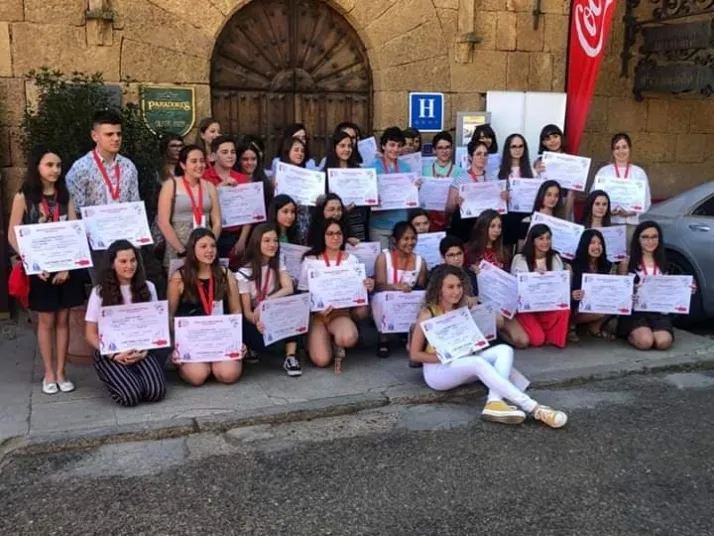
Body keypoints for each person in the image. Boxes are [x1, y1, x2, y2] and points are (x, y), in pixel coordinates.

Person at [409, 264, 567, 428]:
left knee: (504, 350)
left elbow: (481, 333)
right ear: (438, 289)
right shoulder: (428, 313)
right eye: (450, 287)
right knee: (477, 362)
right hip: (437, 372)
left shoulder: (462, 308)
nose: (456, 291)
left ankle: (494, 402)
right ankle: (535, 408)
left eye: (459, 286)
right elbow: (415, 355)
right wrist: (445, 356)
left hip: (464, 363)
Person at [8, 146, 85, 395]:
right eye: (49, 165)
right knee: (46, 321)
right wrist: (32, 262)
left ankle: (62, 372)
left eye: (58, 165)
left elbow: (74, 229)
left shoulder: (65, 195)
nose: (55, 170)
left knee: (63, 320)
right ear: (37, 167)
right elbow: (13, 234)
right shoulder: (24, 196)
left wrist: (68, 266)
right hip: (39, 268)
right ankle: (49, 373)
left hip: (65, 268)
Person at [84, 240, 166, 406]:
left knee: (156, 392)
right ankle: (117, 377)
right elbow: (90, 333)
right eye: (123, 261)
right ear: (112, 264)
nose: (129, 266)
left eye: (133, 260)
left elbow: (155, 326)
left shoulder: (148, 287)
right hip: (112, 352)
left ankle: (135, 376)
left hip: (141, 348)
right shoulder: (99, 292)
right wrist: (114, 355)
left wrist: (144, 352)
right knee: (130, 397)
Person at [65, 110, 140, 280]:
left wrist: (137, 236)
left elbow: (134, 204)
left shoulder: (128, 166)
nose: (116, 138)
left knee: (129, 288)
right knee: (103, 288)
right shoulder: (81, 168)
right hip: (97, 243)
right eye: (109, 134)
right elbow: (75, 210)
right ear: (95, 136)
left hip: (125, 240)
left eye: (118, 134)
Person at [168, 228, 246, 385]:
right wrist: (177, 346)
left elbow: (236, 310)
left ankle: (216, 365)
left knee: (228, 374)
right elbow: (170, 315)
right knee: (197, 376)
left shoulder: (225, 274)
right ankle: (199, 366)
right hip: (193, 341)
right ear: (192, 249)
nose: (210, 250)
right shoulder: (179, 277)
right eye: (203, 246)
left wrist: (237, 340)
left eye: (213, 246)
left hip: (220, 338)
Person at [298, 218, 374, 373]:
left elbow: (358, 289)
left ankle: (335, 340)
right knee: (322, 360)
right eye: (330, 233)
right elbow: (303, 292)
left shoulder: (351, 260)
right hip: (318, 316)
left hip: (340, 313)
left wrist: (367, 285)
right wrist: (314, 309)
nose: (335, 237)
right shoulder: (310, 261)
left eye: (339, 233)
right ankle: (314, 339)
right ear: (322, 236)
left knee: (348, 338)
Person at [616, 221, 694, 350]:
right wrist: (632, 290)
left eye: (654, 237)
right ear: (638, 239)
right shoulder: (627, 262)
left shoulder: (663, 262)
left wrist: (686, 289)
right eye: (645, 237)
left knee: (663, 343)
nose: (650, 241)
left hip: (658, 311)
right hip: (636, 312)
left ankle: (649, 332)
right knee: (645, 342)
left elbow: (669, 288)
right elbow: (620, 290)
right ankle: (628, 334)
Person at [236, 223, 301, 376]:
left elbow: (288, 288)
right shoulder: (244, 273)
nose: (272, 245)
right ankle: (252, 348)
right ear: (256, 242)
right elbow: (247, 312)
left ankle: (291, 356)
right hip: (256, 320)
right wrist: (257, 321)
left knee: (295, 302)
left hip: (275, 312)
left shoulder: (278, 263)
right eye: (267, 240)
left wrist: (267, 302)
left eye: (275, 240)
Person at [466, 210, 530, 348]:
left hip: (501, 303)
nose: (496, 230)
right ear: (482, 227)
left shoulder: (503, 252)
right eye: (492, 226)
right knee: (498, 320)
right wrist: (472, 273)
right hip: (480, 303)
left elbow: (508, 280)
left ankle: (496, 336)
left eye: (499, 226)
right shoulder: (469, 251)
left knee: (523, 341)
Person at [157, 145, 222, 270]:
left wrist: (209, 245)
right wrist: (181, 250)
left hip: (206, 246)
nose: (199, 165)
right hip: (178, 245)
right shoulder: (171, 185)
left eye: (202, 161)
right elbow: (163, 222)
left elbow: (217, 221)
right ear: (183, 165)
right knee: (179, 280)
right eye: (194, 161)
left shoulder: (209, 186)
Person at [510, 224, 570, 348]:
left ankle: (551, 337)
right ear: (533, 241)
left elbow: (559, 284)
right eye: (541, 238)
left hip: (548, 305)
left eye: (548, 238)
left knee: (564, 309)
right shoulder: (520, 258)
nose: (545, 242)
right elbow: (516, 285)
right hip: (527, 309)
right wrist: (533, 276)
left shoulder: (555, 257)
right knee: (537, 340)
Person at [373, 221, 428, 357]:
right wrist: (394, 287)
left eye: (413, 238)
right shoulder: (383, 258)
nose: (410, 242)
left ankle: (410, 334)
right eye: (405, 238)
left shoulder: (420, 261)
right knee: (380, 299)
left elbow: (421, 288)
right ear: (394, 240)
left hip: (408, 301)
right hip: (388, 299)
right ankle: (383, 338)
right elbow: (378, 286)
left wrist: (411, 290)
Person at [593, 133, 652, 241]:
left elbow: (646, 201)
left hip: (631, 224)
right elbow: (593, 197)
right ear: (612, 151)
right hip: (608, 222)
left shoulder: (639, 173)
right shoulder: (604, 172)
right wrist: (606, 210)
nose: (621, 151)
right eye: (617, 148)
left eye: (624, 147)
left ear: (630, 149)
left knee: (629, 251)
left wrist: (633, 212)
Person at [203, 136, 252, 260]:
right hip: (210, 232)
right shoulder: (204, 177)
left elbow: (249, 213)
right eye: (225, 152)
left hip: (235, 235)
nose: (230, 156)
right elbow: (200, 204)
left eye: (233, 152)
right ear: (213, 156)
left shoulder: (242, 179)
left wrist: (242, 240)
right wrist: (219, 188)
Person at [368, 126, 411, 249]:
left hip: (400, 224)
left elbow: (409, 196)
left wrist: (414, 190)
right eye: (392, 145)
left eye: (399, 146)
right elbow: (366, 194)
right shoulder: (372, 168)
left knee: (399, 260)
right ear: (383, 146)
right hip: (379, 225)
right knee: (383, 259)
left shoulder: (406, 168)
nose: (395, 149)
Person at [570, 229, 616, 342]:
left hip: (597, 302)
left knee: (617, 303)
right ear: (585, 244)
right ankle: (570, 326)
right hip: (577, 306)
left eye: (600, 243)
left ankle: (594, 328)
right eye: (592, 243)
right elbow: (563, 291)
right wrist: (572, 294)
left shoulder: (607, 265)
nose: (596, 246)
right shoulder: (573, 265)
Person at [323, 131, 368, 241]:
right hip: (333, 221)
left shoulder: (359, 170)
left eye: (349, 146)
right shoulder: (325, 173)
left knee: (357, 247)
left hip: (356, 219)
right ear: (334, 147)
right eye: (342, 146)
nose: (347, 149)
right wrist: (341, 209)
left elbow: (366, 194)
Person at [446, 139, 491, 242]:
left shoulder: (493, 178)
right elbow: (449, 209)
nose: (482, 157)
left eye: (485, 154)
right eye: (478, 154)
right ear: (470, 157)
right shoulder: (460, 179)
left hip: (487, 224)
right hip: (466, 225)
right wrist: (455, 202)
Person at [421, 131, 466, 231]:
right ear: (434, 150)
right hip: (429, 221)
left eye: (447, 147)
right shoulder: (424, 171)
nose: (444, 151)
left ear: (451, 149)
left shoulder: (461, 172)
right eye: (440, 148)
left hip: (452, 221)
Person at [498, 133, 535, 247]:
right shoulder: (498, 172)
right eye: (514, 146)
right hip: (507, 219)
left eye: (520, 146)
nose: (517, 149)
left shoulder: (533, 172)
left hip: (526, 217)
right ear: (507, 149)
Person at [534, 124, 574, 220]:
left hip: (564, 203)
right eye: (548, 139)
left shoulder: (571, 162)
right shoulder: (539, 162)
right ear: (544, 143)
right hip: (543, 208)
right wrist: (535, 172)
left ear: (561, 138)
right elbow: (534, 187)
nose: (552, 141)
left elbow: (571, 193)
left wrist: (566, 218)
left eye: (555, 136)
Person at [277, 136, 313, 245]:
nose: (300, 153)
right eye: (296, 150)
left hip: (304, 221)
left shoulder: (309, 176)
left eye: (302, 151)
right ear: (288, 151)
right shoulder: (280, 174)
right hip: (287, 221)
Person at [236, 138, 274, 209]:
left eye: (253, 159)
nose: (250, 163)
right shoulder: (232, 181)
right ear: (238, 160)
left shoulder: (265, 182)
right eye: (245, 159)